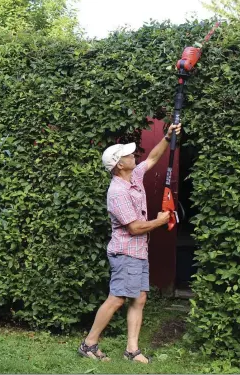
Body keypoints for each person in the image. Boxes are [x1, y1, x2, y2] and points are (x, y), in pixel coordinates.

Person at [78, 123, 182, 364]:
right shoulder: (117, 192)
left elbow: (153, 158)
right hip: (125, 252)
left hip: (138, 252)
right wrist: (159, 221)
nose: (132, 155)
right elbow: (134, 227)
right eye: (127, 154)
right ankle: (89, 344)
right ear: (119, 165)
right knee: (118, 298)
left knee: (139, 298)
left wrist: (167, 137)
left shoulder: (133, 175)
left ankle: (131, 351)